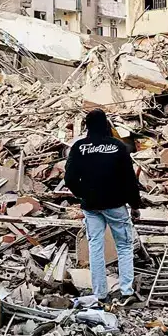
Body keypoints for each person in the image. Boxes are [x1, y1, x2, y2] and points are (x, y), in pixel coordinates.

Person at [64, 109, 142, 305]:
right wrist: (134, 205)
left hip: (91, 206)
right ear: (105, 124)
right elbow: (129, 180)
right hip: (115, 204)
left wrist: (83, 194)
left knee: (95, 247)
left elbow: (69, 178)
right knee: (124, 246)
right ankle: (126, 291)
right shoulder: (117, 146)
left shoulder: (79, 147)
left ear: (88, 127)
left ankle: (100, 294)